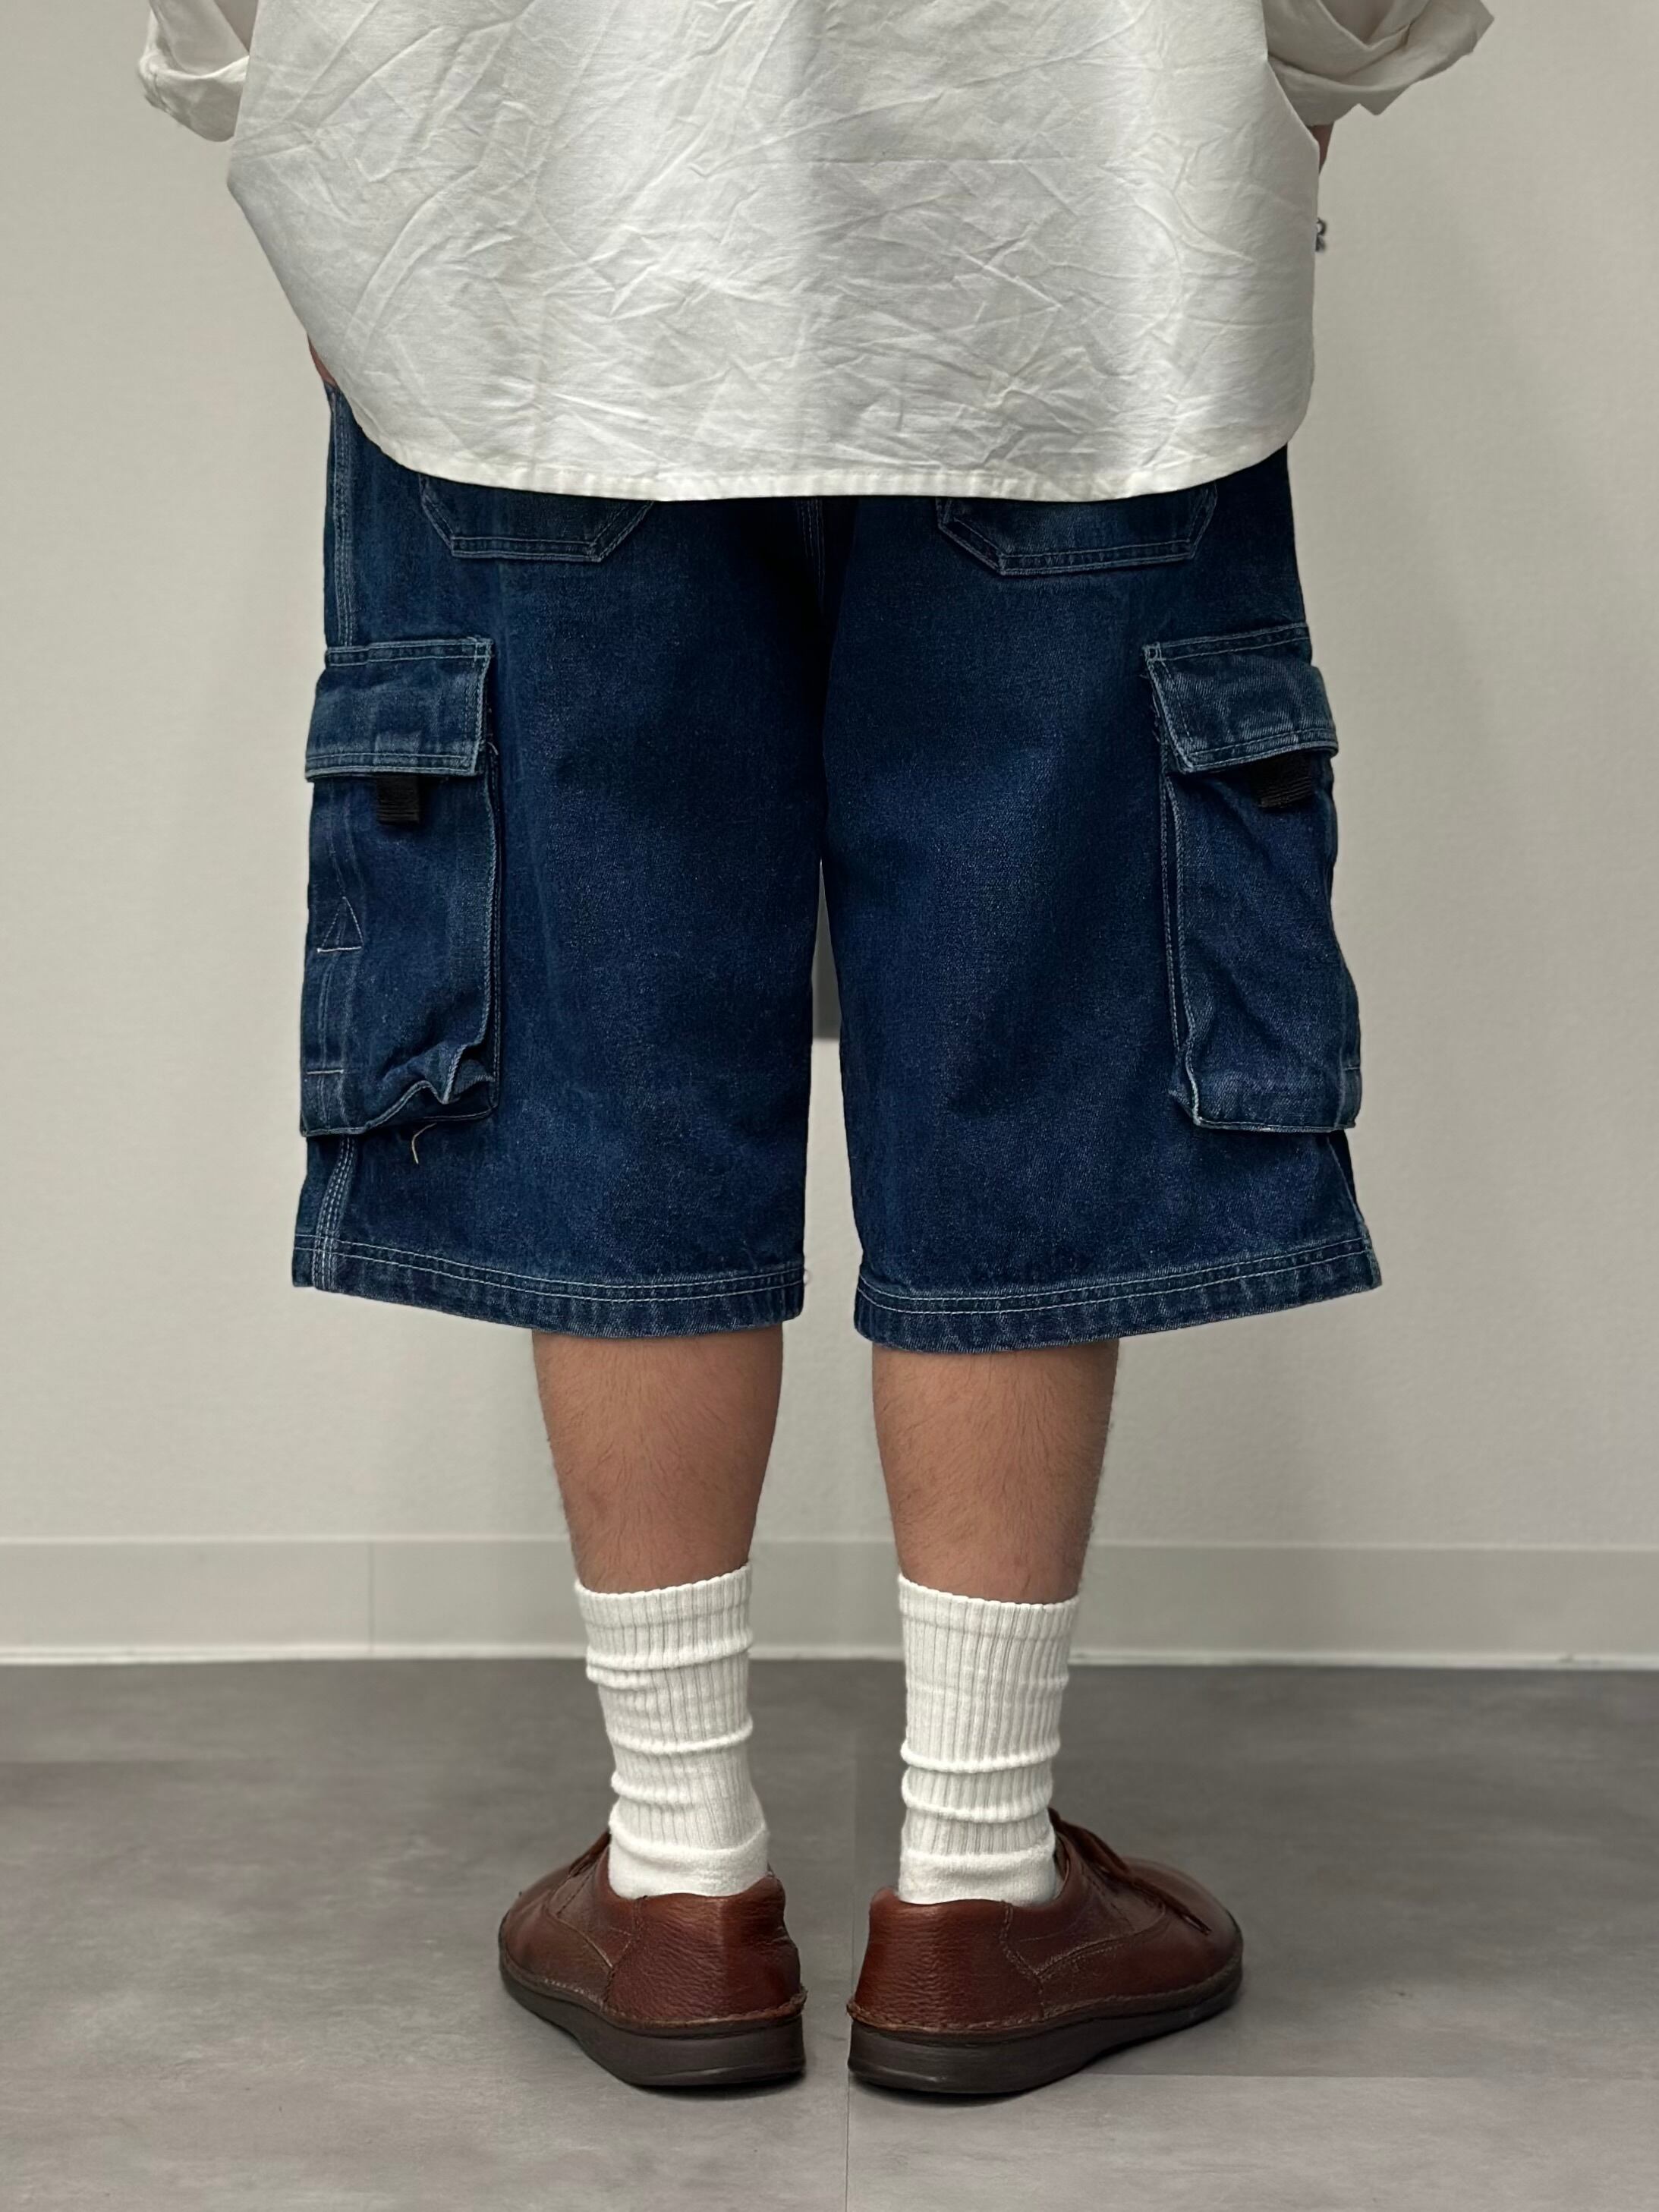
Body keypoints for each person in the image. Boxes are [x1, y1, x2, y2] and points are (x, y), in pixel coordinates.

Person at [140, 0, 1491, 2097]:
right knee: (1027, 1016)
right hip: (1078, 226)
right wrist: (1295, 90)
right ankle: (979, 1888)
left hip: (511, 230)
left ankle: (679, 1883)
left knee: (604, 1034)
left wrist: (300, 137)